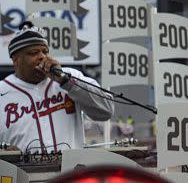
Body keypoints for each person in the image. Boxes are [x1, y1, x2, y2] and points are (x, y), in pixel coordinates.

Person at [0, 21, 114, 152]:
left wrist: (67, 82)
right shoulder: (2, 91)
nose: (42, 56)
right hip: (22, 171)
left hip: (71, 170)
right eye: (33, 53)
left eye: (45, 51)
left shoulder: (70, 77)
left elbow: (106, 111)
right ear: (16, 60)